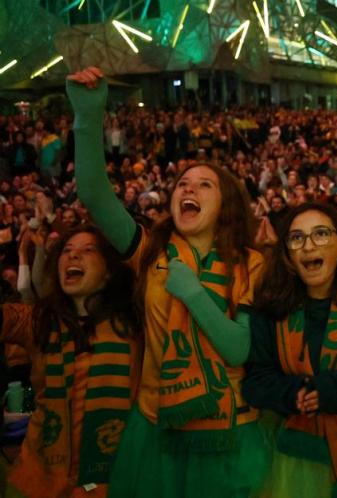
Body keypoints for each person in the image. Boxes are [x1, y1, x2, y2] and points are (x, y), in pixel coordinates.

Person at [66, 67, 267, 498]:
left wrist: (192, 291)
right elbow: (94, 194)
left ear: (226, 203)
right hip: (157, 425)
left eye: (204, 184)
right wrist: (88, 114)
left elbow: (239, 349)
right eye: (182, 184)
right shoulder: (149, 252)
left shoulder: (251, 264)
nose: (188, 189)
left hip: (227, 428)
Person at [243, 203, 337, 498]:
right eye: (297, 238)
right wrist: (293, 394)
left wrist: (330, 391)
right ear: (288, 256)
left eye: (320, 234)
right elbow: (255, 380)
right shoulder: (270, 307)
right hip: (290, 454)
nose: (308, 246)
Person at [3, 226, 142, 498]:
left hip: (115, 482)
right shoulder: (39, 322)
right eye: (66, 251)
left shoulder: (135, 324)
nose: (73, 256)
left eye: (88, 250)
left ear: (109, 270)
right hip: (39, 482)